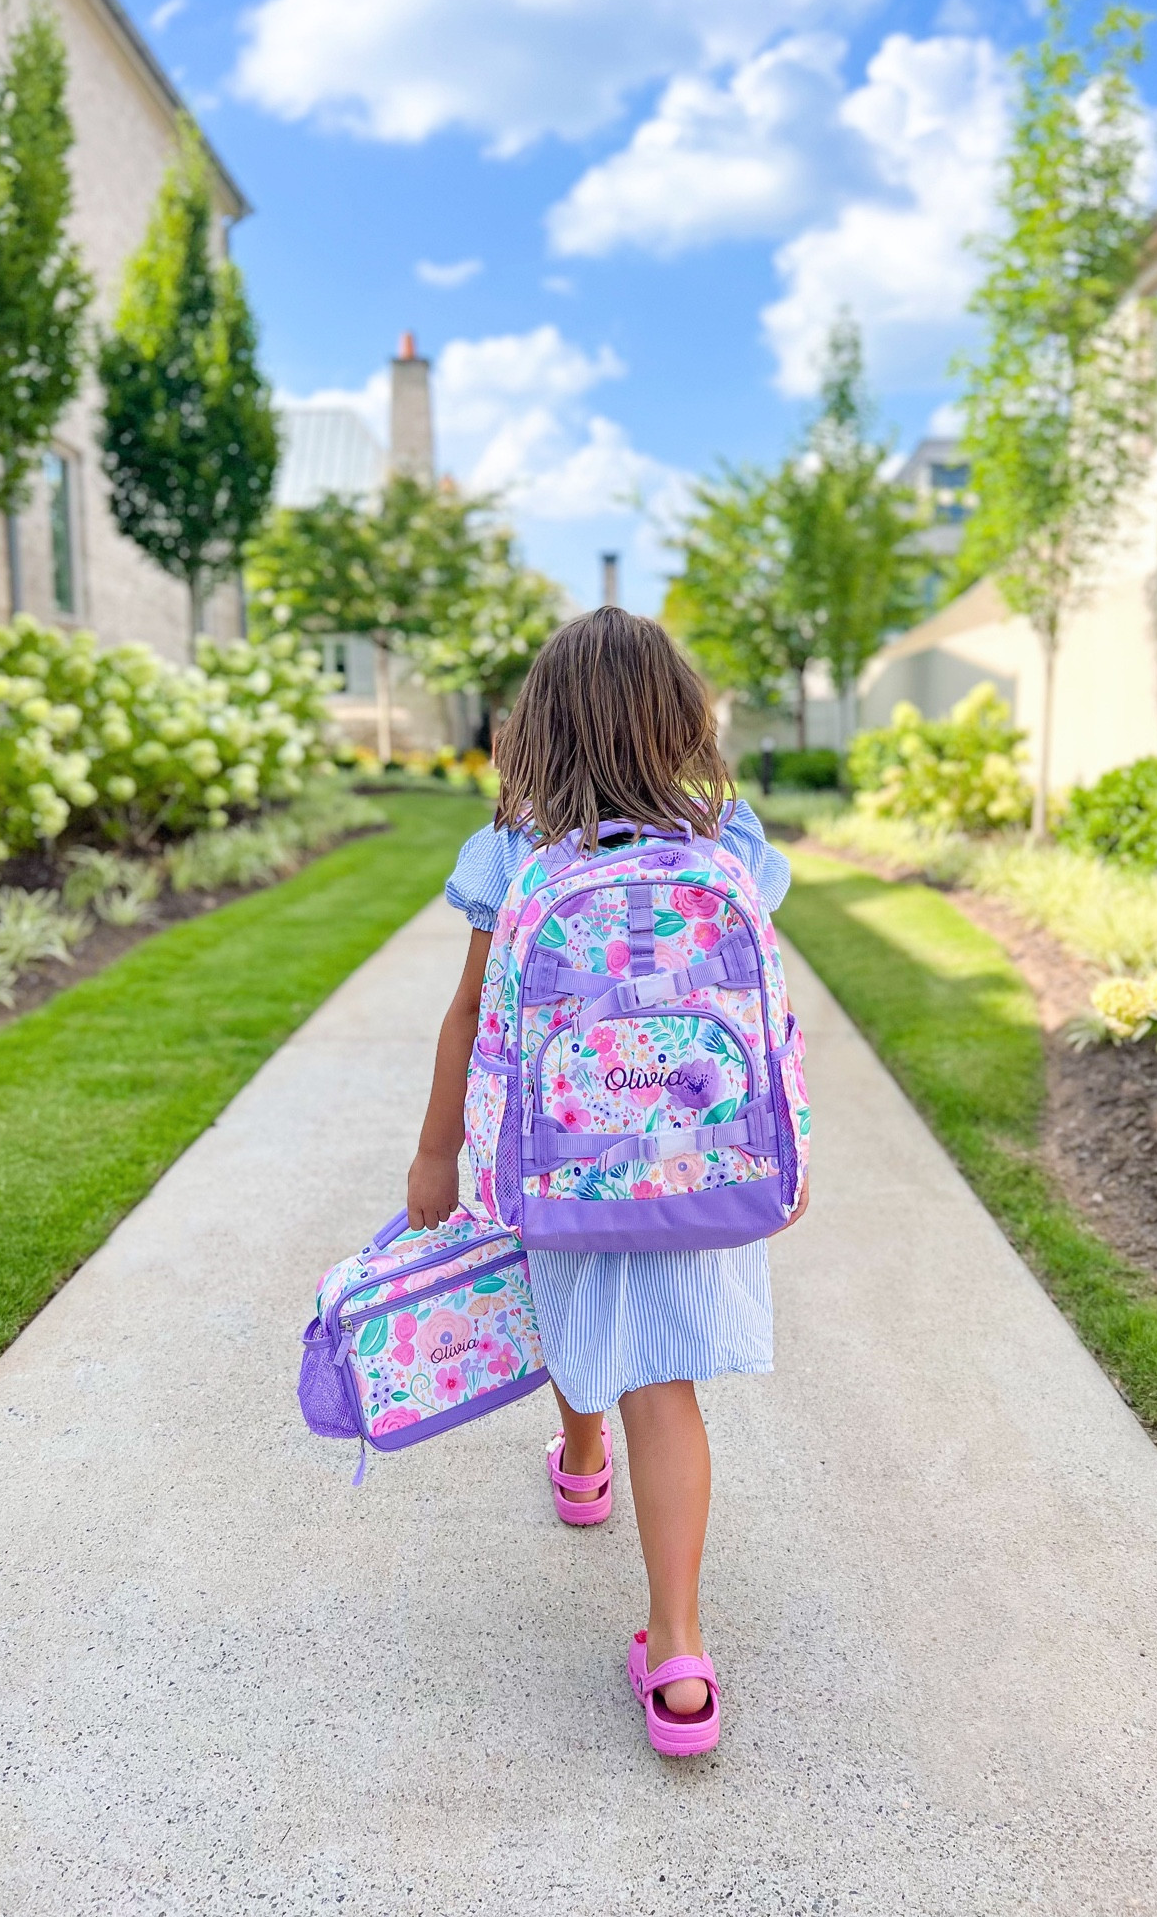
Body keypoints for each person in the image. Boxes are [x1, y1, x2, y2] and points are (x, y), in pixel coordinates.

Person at [406, 606, 808, 1756]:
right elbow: (764, 1013)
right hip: (702, 1159)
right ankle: (677, 1647)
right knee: (665, 1378)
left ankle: (583, 1462)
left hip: (562, 1164)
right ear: (681, 718)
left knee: (571, 1303)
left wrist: (438, 1154)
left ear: (538, 725)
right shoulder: (728, 841)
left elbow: (472, 1010)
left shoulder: (519, 848)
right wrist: (791, 1146)